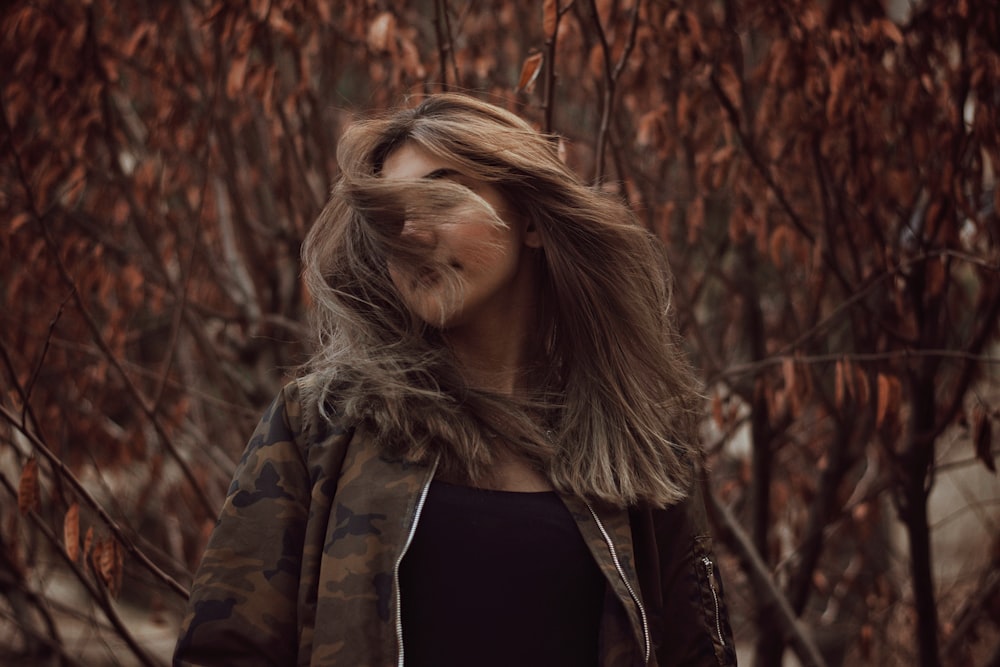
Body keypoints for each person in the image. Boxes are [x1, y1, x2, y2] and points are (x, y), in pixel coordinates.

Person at [173, 93, 736, 667]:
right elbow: (224, 652)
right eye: (391, 218)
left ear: (531, 219)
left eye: (440, 195)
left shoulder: (635, 443)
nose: (410, 234)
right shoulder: (320, 426)